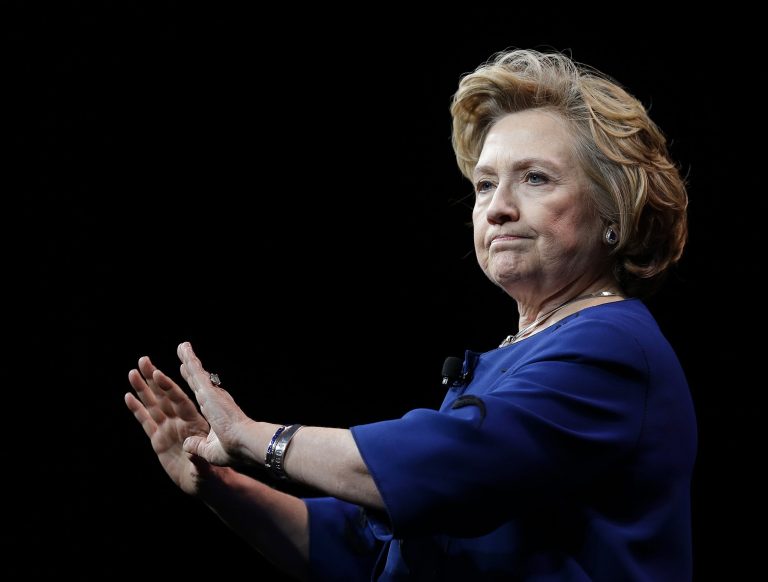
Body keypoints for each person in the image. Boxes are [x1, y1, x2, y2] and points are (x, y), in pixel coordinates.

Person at [125, 47, 696, 581]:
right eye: (485, 184)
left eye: (536, 178)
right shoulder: (524, 353)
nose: (496, 208)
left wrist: (256, 439)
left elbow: (448, 467)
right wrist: (219, 483)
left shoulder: (614, 347)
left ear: (613, 211)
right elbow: (369, 551)